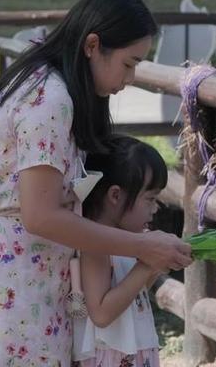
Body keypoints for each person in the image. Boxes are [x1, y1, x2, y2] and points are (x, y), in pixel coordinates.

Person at [0, 0, 192, 366]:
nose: (129, 78)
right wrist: (144, 249)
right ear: (93, 46)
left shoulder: (43, 83)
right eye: (129, 63)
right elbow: (41, 215)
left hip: (24, 270)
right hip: (18, 278)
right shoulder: (50, 99)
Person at [72, 135, 169, 367]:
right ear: (115, 195)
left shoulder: (126, 241)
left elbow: (128, 297)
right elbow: (102, 314)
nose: (155, 209)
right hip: (111, 358)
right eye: (150, 199)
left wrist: (155, 267)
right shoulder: (95, 245)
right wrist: (146, 266)